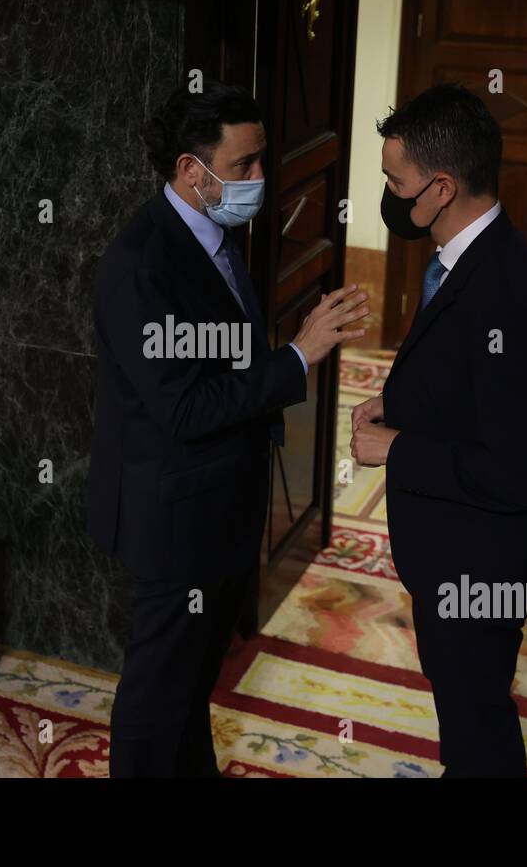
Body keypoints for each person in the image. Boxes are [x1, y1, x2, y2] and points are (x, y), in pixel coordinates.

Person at [88, 80, 370, 776]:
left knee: (190, 685)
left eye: (261, 160)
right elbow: (183, 408)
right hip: (174, 519)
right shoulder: (141, 266)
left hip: (218, 508)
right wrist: (297, 355)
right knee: (157, 699)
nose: (261, 179)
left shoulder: (213, 235)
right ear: (191, 170)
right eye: (243, 165)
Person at [350, 82, 527, 777]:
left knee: (478, 729)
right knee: (466, 717)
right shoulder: (467, 256)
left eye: (395, 180)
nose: (388, 192)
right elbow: (466, 387)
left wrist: (398, 448)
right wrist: (397, 409)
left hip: (481, 566)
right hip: (454, 555)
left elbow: (518, 472)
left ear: (440, 188)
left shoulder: (507, 295)